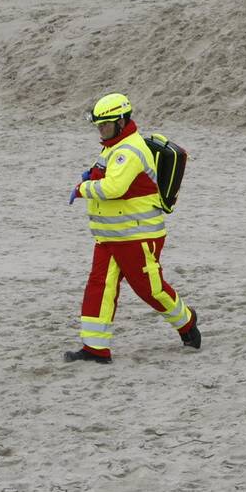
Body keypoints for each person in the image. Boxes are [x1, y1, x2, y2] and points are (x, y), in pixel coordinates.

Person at [64, 93, 200, 363]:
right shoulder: (114, 145)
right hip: (111, 236)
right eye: (98, 126)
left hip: (138, 236)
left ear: (122, 121)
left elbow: (114, 188)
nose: (101, 131)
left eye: (105, 125)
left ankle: (187, 322)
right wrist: (90, 174)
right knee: (100, 286)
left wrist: (83, 188)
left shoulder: (129, 150)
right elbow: (103, 172)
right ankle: (95, 349)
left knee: (150, 289)